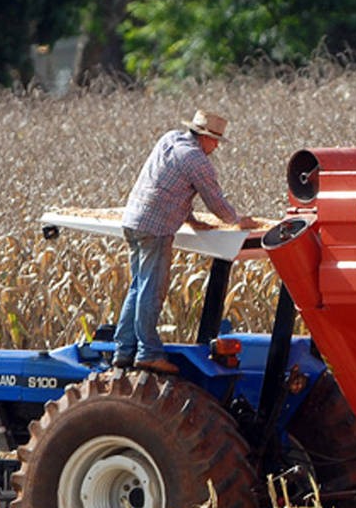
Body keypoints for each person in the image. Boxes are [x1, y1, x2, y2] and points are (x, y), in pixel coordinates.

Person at [111, 109, 260, 374]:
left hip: (134, 220)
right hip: (155, 227)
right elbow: (215, 200)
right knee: (151, 290)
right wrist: (237, 221)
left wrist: (189, 218)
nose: (216, 147)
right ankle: (148, 353)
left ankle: (123, 350)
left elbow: (167, 186)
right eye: (215, 141)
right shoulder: (196, 159)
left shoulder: (170, 140)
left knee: (137, 286)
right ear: (204, 137)